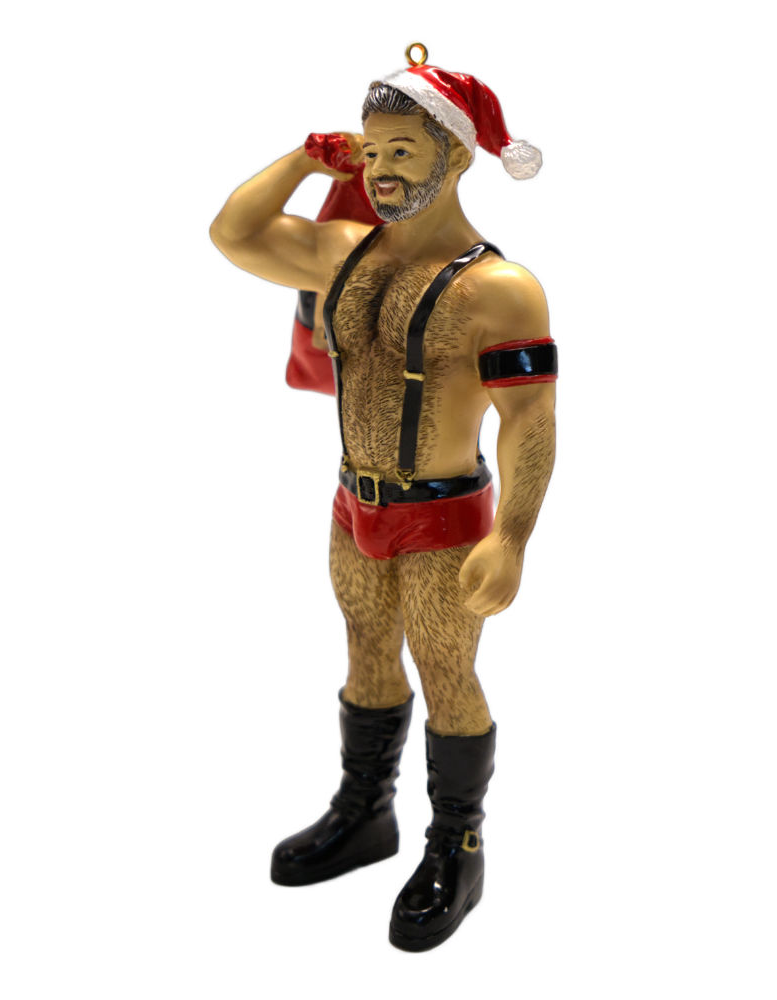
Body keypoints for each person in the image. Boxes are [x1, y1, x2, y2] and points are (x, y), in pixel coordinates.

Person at [209, 49, 557, 952]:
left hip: (444, 517)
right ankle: (365, 810)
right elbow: (233, 233)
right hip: (352, 505)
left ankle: (458, 844)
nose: (382, 170)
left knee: (446, 669)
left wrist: (512, 536)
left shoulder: (500, 290)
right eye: (372, 152)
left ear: (457, 155)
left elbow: (528, 418)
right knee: (366, 648)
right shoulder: (342, 255)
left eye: (403, 150)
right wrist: (303, 160)